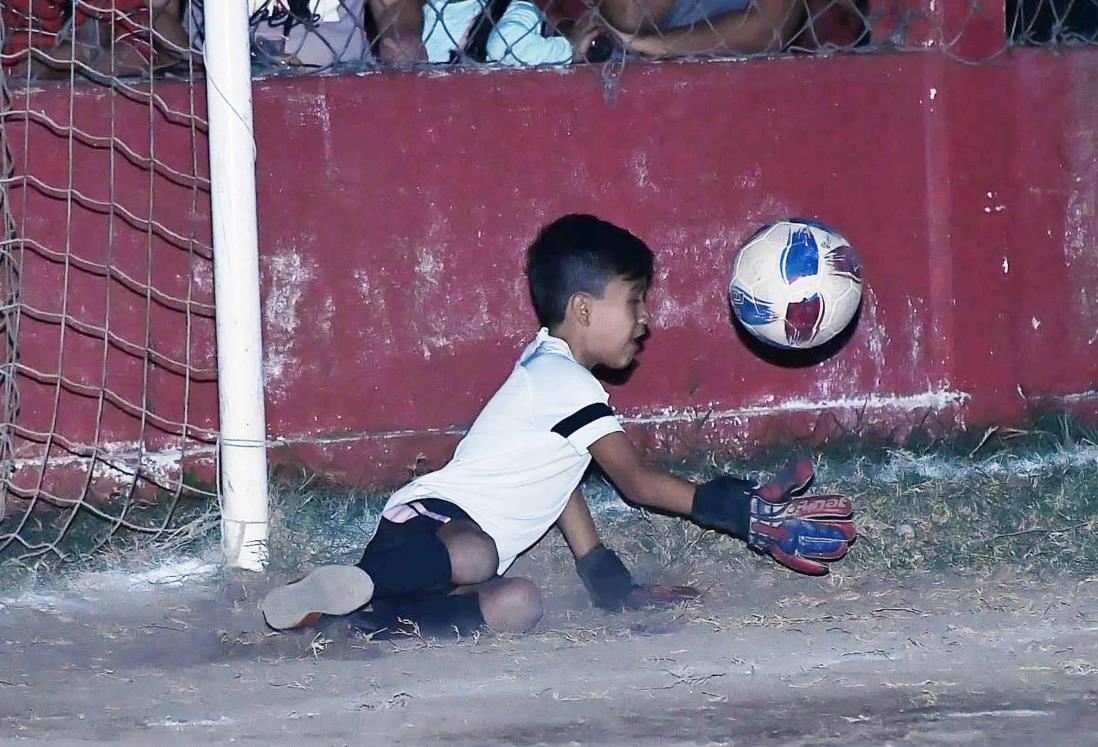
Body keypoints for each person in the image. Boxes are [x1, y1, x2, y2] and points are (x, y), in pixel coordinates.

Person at [260, 214, 856, 637]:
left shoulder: (551, 370)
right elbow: (637, 480)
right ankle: (358, 581)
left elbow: (558, 478)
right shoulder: (564, 381)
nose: (645, 320)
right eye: (636, 301)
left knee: (519, 604)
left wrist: (600, 570)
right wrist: (738, 510)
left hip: (439, 563)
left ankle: (363, 621)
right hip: (430, 528)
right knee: (478, 555)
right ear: (585, 309)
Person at [601, 0, 806, 58]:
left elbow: (766, 31)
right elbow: (630, 17)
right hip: (627, 83)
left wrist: (662, 45)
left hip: (737, 90)